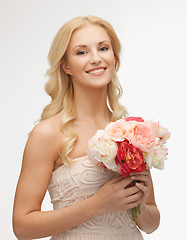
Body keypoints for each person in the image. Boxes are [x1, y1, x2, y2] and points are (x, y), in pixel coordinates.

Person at [13, 15, 160, 240]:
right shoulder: (48, 133)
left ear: (114, 58)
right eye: (82, 52)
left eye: (103, 48)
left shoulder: (131, 132)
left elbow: (151, 224)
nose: (96, 59)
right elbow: (22, 226)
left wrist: (139, 200)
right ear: (66, 66)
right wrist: (97, 205)